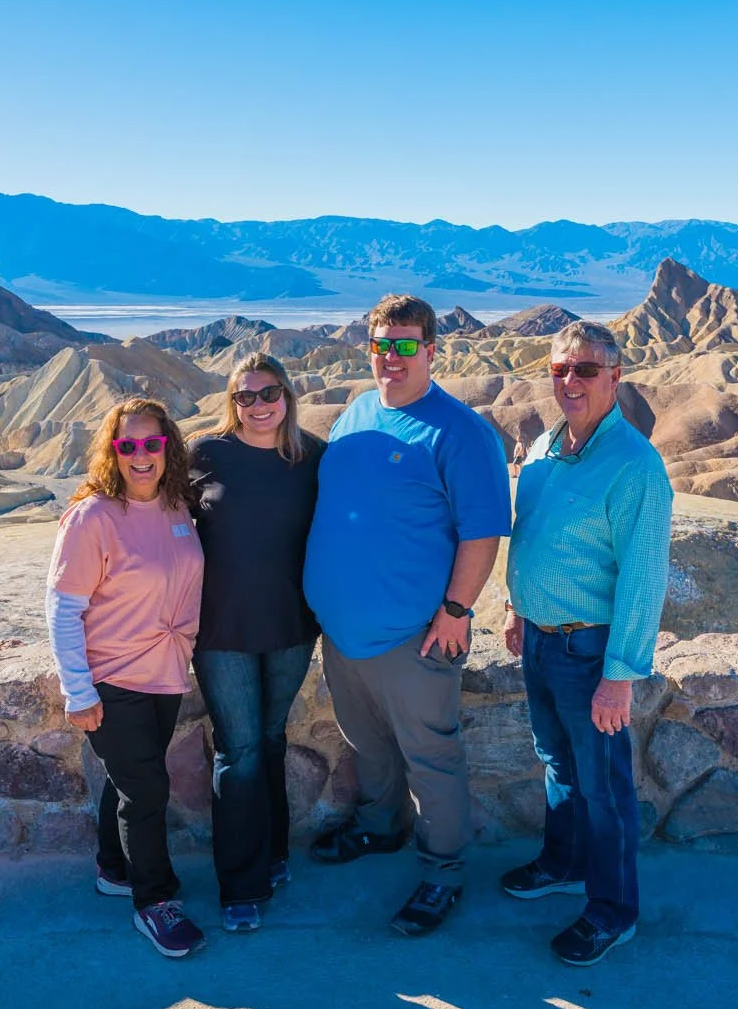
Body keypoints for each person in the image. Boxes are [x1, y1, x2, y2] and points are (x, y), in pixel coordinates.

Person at [303, 293, 512, 937]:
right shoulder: (357, 414)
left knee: (432, 756)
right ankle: (378, 829)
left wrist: (455, 611)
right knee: (367, 744)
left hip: (416, 637)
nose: (390, 358)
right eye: (380, 346)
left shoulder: (458, 432)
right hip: (342, 634)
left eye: (404, 346)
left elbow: (482, 535)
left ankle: (443, 873)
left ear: (431, 350)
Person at [501, 321, 673, 966]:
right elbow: (531, 536)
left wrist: (620, 674)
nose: (570, 381)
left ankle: (612, 911)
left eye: (586, 371)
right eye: (560, 370)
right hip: (541, 642)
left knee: (604, 787)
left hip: (590, 652)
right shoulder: (547, 447)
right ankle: (563, 864)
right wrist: (517, 609)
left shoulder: (634, 466)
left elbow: (643, 575)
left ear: (615, 377)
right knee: (557, 764)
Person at [46, 397, 207, 959]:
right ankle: (154, 902)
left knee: (125, 779)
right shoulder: (93, 518)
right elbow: (63, 609)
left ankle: (114, 870)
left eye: (152, 444)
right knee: (146, 789)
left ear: (168, 449)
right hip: (112, 678)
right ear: (113, 452)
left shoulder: (175, 507)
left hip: (164, 674)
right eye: (128, 445)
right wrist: (77, 689)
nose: (142, 456)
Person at [188, 353, 324, 934]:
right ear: (231, 402)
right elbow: (155, 518)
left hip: (292, 626)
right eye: (246, 397)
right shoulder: (204, 454)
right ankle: (239, 885)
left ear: (287, 395)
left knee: (270, 739)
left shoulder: (313, 457)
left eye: (270, 393)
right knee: (237, 750)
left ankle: (273, 854)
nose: (259, 405)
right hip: (221, 631)